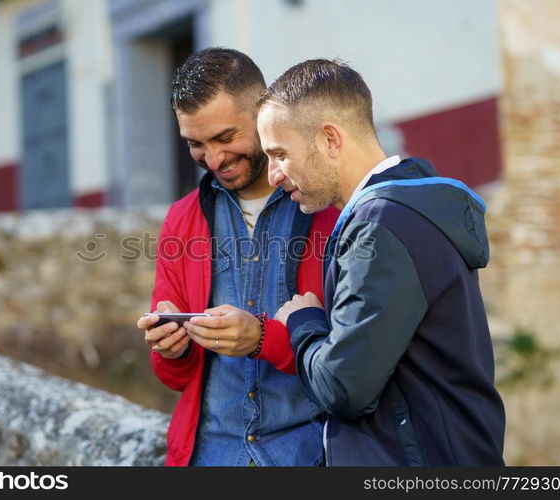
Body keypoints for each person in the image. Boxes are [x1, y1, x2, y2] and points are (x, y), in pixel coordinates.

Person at [257, 59, 505, 465]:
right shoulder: (403, 207)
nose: (273, 175)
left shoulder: (382, 223)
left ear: (330, 140)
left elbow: (343, 388)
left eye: (280, 154)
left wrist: (302, 323)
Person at [136, 48, 339, 466]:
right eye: (196, 144)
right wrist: (171, 350)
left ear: (264, 113)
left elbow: (359, 357)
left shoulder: (329, 207)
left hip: (313, 455)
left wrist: (265, 340)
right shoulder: (181, 219)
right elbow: (176, 379)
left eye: (226, 138)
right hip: (208, 455)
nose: (213, 160)